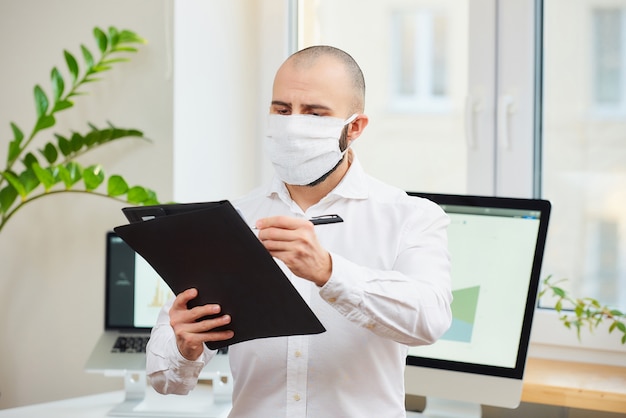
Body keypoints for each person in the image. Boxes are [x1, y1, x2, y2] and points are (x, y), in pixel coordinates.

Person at [146, 45, 452, 418]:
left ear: (354, 127)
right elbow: (166, 382)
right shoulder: (233, 220)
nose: (292, 124)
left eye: (314, 113)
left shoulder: (410, 217)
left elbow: (430, 320)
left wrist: (328, 271)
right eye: (281, 110)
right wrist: (184, 346)